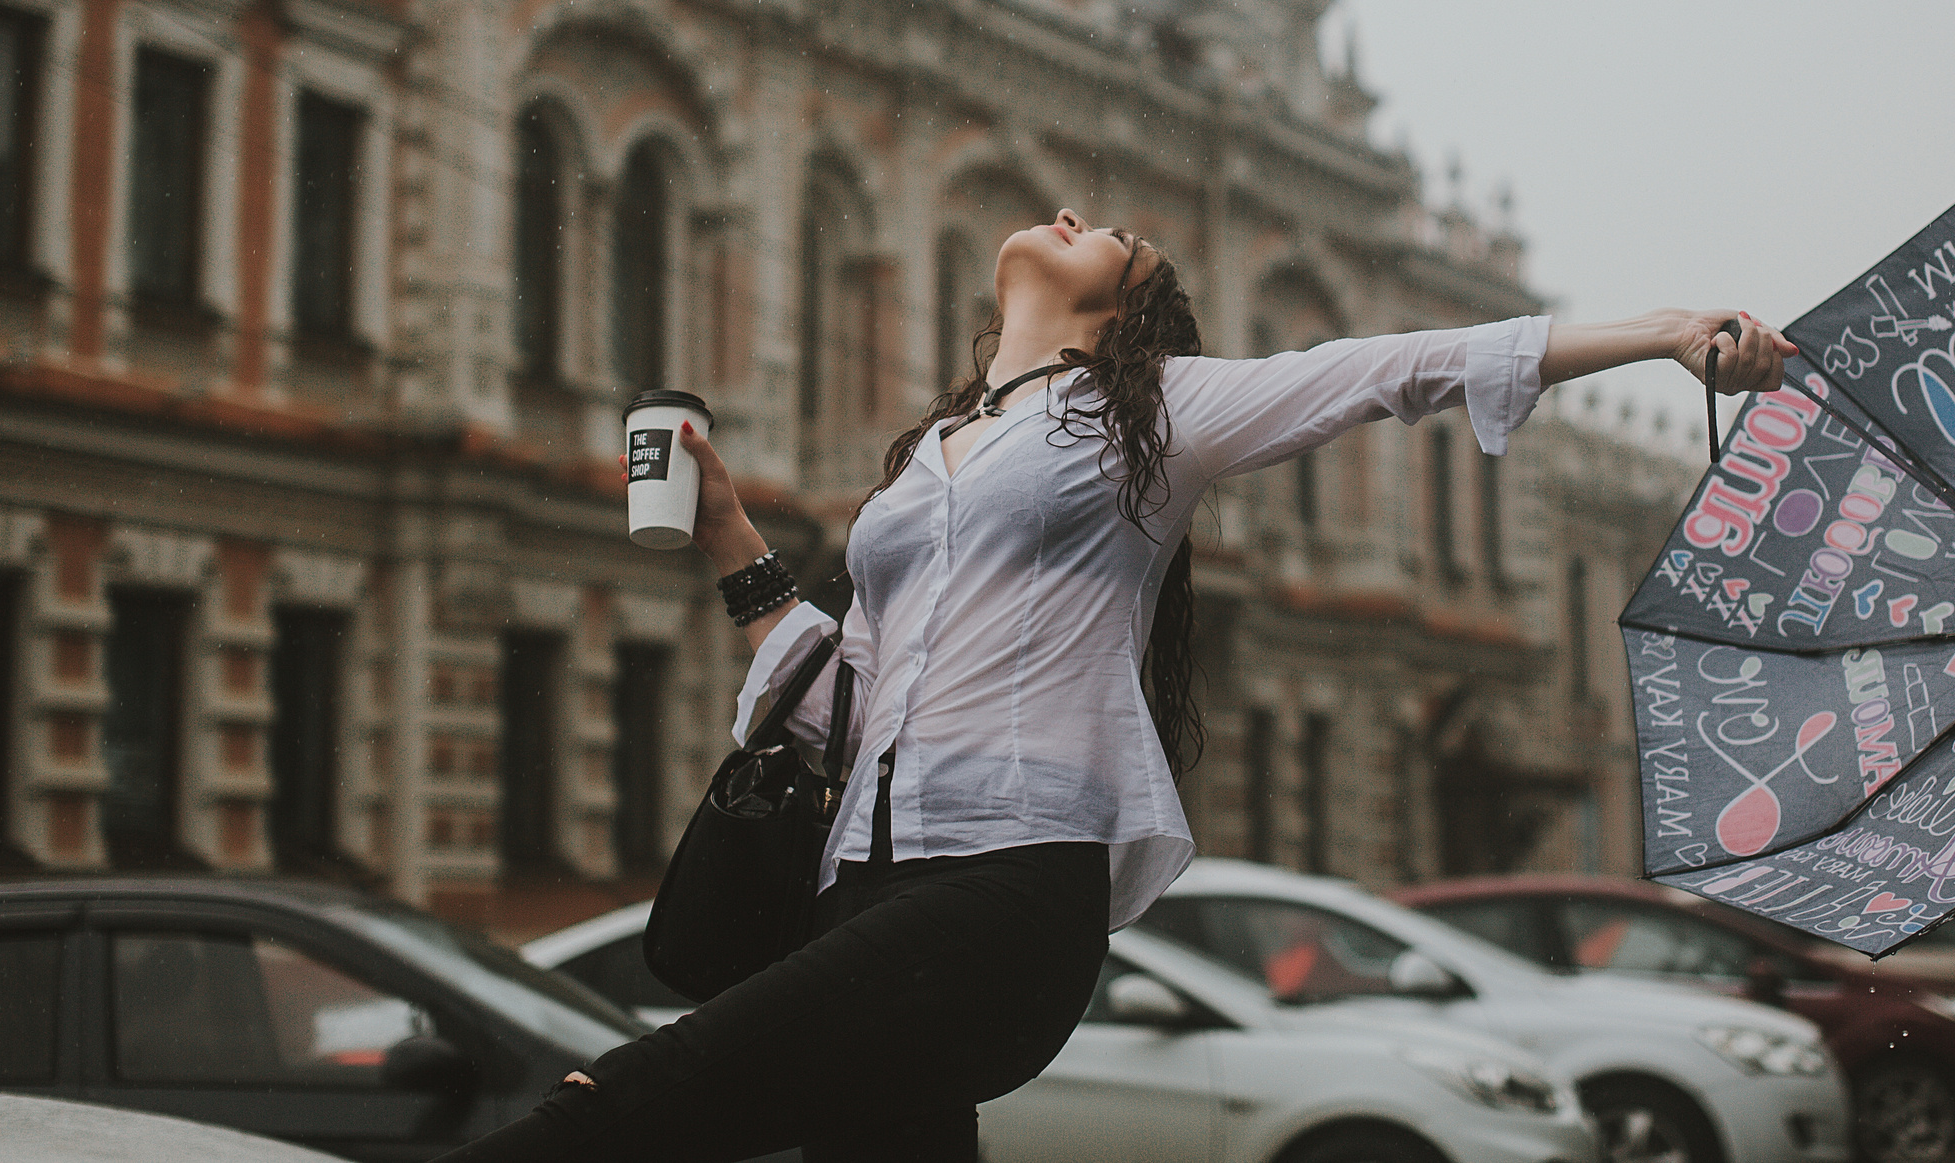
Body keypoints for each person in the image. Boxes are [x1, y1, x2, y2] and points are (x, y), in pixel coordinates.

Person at [440, 208, 1792, 1162]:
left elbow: (1387, 371)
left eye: (1112, 237)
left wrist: (1667, 330)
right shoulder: (934, 456)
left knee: (628, 1103)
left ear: (1122, 306)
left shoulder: (1155, 415)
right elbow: (836, 702)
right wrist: (732, 533)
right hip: (863, 876)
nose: (1079, 212)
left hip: (1011, 880)